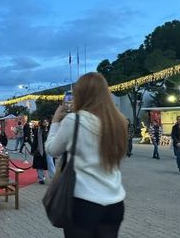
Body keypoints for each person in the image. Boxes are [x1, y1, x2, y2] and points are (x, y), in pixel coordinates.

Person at [46, 72, 127, 238]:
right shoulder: (119, 121)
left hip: (83, 201)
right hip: (115, 201)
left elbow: (52, 150)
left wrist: (55, 122)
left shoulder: (74, 120)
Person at [31, 119, 53, 184]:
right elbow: (35, 140)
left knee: (50, 164)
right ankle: (41, 179)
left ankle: (53, 178)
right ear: (41, 123)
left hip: (48, 149)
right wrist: (33, 150)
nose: (46, 123)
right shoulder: (38, 130)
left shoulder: (50, 130)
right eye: (44, 122)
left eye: (47, 122)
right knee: (39, 165)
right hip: (39, 150)